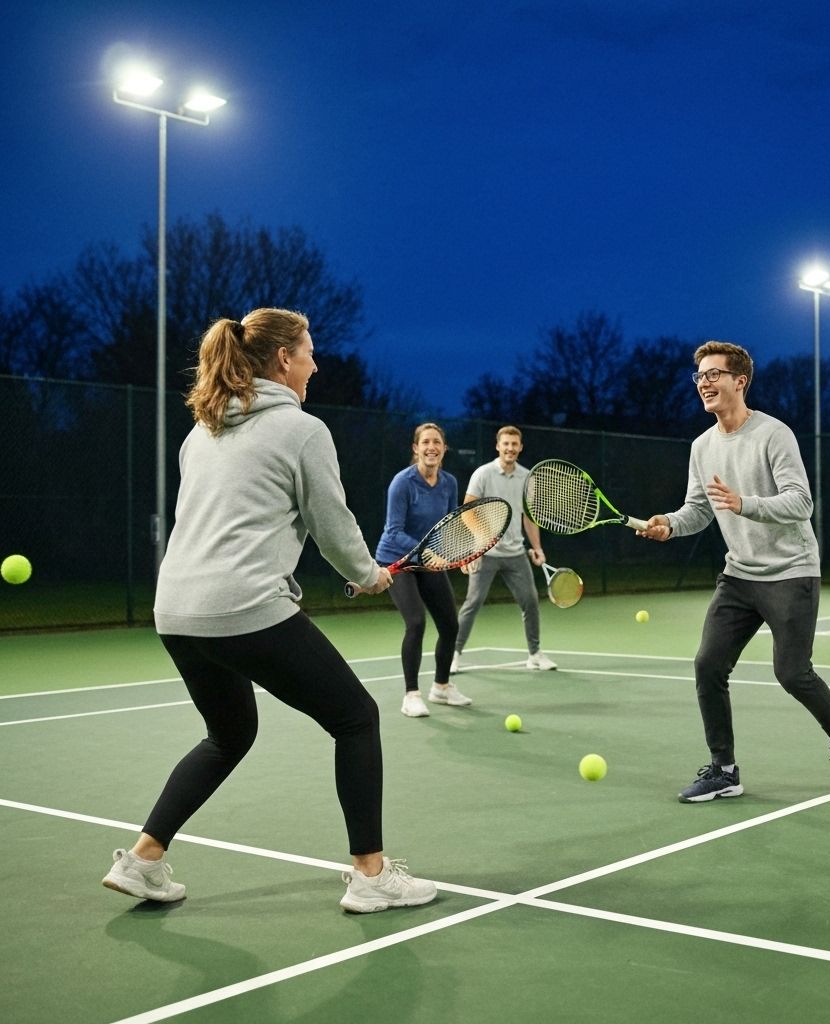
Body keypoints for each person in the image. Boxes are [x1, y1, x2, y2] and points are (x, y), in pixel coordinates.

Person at [101, 308, 435, 913]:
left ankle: (144, 861)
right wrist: (368, 576)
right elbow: (331, 523)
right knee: (356, 718)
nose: (316, 362)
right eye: (308, 351)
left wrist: (360, 570)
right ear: (284, 359)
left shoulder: (199, 433)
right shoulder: (302, 430)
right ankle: (371, 874)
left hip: (175, 610)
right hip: (244, 606)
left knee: (229, 734)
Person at [639, 341, 830, 801]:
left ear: (739, 381)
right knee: (707, 665)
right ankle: (724, 770)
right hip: (740, 575)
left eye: (713, 374)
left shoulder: (773, 434)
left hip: (791, 570)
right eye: (699, 376)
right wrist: (668, 526)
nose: (704, 383)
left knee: (792, 673)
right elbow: (699, 511)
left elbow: (801, 500)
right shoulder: (702, 447)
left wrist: (746, 504)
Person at [376, 422, 471, 718]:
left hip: (428, 560)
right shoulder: (402, 483)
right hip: (397, 560)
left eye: (437, 442)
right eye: (425, 442)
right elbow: (393, 532)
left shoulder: (449, 483)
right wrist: (428, 551)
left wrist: (461, 552)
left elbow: (449, 526)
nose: (431, 447)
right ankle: (411, 695)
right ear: (416, 448)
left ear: (444, 449)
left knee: (450, 624)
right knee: (416, 622)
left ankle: (441, 687)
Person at [451, 426, 557, 672]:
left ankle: (535, 654)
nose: (510, 448)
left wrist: (537, 547)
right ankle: (453, 654)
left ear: (520, 447)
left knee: (530, 601)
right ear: (498, 446)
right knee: (473, 602)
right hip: (486, 553)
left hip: (515, 553)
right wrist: (479, 543)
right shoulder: (483, 474)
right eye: (505, 444)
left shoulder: (526, 477)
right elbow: (467, 511)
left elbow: (528, 518)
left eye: (514, 444)